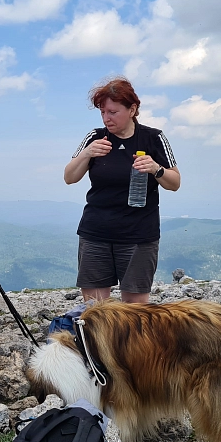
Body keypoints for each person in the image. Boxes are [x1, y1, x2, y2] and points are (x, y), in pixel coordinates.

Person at [64, 77, 180, 304]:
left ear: (132, 109)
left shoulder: (153, 138)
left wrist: (156, 169)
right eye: (103, 112)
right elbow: (69, 177)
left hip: (138, 235)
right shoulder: (95, 138)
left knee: (135, 310)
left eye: (113, 112)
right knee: (96, 312)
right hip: (96, 233)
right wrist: (87, 153)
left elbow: (174, 183)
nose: (106, 118)